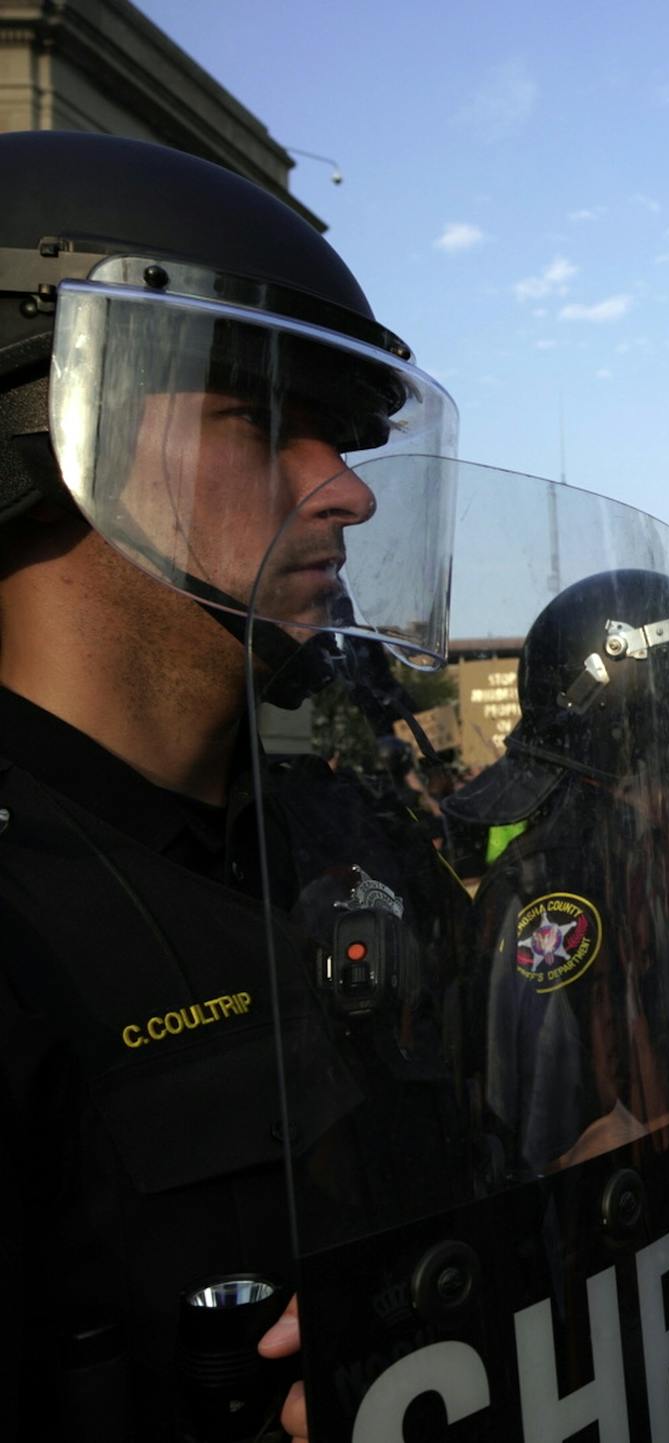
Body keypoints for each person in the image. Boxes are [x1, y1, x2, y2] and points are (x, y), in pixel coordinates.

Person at [0, 132, 484, 1440]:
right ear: (46, 422)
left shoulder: (337, 841)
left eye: (342, 435)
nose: (345, 491)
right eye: (264, 419)